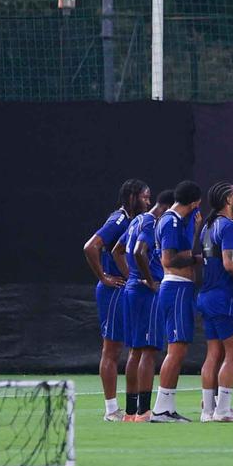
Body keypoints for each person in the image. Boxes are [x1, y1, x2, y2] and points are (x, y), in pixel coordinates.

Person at [83, 179, 147, 422]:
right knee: (111, 350)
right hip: (113, 291)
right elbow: (91, 246)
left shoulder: (133, 221)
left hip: (125, 289)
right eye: (145, 197)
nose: (148, 202)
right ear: (132, 197)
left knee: (130, 347)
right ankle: (111, 409)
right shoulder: (119, 219)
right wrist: (104, 276)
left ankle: (131, 406)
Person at [197, 182, 233, 423]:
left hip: (207, 296)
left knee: (213, 354)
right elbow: (230, 264)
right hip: (225, 297)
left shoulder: (207, 227)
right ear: (228, 200)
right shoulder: (230, 227)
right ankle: (224, 409)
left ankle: (208, 410)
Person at [151, 181, 202, 423]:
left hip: (179, 288)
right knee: (176, 349)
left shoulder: (176, 221)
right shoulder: (170, 221)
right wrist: (196, 258)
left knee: (178, 349)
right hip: (176, 288)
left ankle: (167, 408)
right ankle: (161, 409)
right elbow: (168, 259)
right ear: (194, 203)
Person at [121, 189, 172, 422]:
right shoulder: (152, 224)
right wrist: (150, 281)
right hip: (145, 292)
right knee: (149, 351)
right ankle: (143, 411)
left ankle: (130, 411)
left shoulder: (136, 221)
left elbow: (117, 250)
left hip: (132, 288)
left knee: (135, 350)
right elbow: (139, 251)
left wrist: (131, 275)